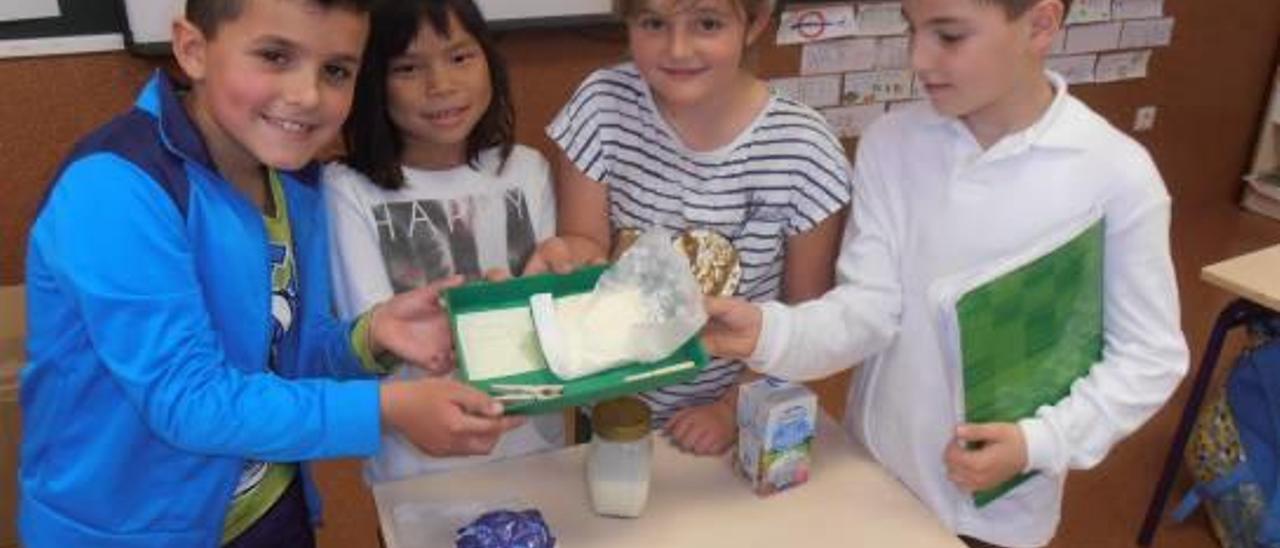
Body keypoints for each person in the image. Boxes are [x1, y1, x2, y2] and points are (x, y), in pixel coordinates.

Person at [19, 0, 520, 545]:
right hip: (128, 533)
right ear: (193, 49)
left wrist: (372, 336)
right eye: (275, 55)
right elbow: (188, 400)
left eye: (336, 70)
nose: (308, 95)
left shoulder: (297, 181)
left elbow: (282, 354)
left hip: (269, 512)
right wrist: (386, 409)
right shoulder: (116, 189)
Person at [701, 0, 1189, 545]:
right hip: (873, 473)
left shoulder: (1114, 174)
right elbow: (868, 310)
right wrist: (770, 332)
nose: (919, 59)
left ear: (1041, 24)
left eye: (950, 36)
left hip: (994, 517)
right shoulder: (894, 143)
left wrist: (1041, 442)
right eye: (913, 30)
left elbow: (1150, 356)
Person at [528, 0, 853, 456]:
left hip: (734, 421)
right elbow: (586, 243)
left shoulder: (804, 151)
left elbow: (805, 324)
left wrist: (730, 409)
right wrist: (568, 258)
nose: (678, 50)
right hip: (609, 406)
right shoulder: (602, 105)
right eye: (654, 23)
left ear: (755, 22)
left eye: (707, 23)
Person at [324, 0, 564, 484]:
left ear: (488, 60)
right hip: (417, 469)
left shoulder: (526, 170)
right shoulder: (346, 189)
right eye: (408, 68)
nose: (442, 86)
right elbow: (374, 336)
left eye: (460, 57)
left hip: (538, 452)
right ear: (374, 80)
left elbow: (552, 311)